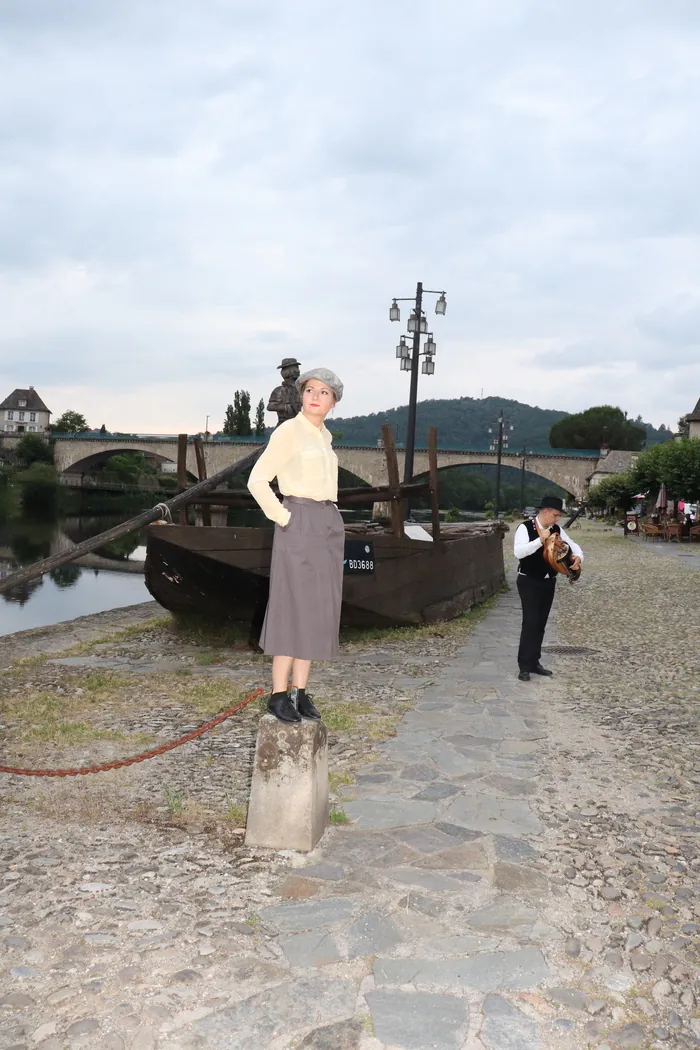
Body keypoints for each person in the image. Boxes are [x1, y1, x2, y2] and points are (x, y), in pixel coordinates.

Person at [247, 367, 345, 722]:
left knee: (318, 609)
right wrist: (285, 517)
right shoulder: (288, 431)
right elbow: (257, 480)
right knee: (293, 606)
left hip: (326, 523)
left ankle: (301, 692)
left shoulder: (325, 437)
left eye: (324, 392)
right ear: (302, 395)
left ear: (333, 402)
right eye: (310, 390)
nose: (315, 396)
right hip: (299, 518)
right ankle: (278, 694)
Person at [513, 496, 584, 681]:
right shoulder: (525, 527)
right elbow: (518, 552)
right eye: (555, 515)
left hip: (548, 581)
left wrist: (578, 557)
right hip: (528, 580)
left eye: (559, 516)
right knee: (530, 622)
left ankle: (535, 662)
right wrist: (539, 541)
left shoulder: (556, 529)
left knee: (541, 623)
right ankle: (524, 666)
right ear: (545, 512)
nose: (557, 519)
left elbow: (573, 545)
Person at [267, 358, 302, 425]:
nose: (298, 371)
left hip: (300, 425)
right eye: (295, 368)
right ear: (288, 371)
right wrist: (287, 407)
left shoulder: (302, 389)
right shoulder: (279, 390)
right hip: (284, 425)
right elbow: (270, 406)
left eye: (297, 368)